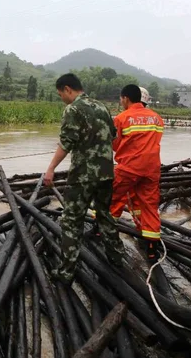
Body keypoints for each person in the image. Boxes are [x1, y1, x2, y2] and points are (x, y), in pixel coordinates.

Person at [44, 73, 125, 285]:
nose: (61, 97)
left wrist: (51, 169)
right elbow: (113, 137)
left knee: (71, 221)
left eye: (60, 93)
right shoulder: (102, 107)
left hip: (83, 176)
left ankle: (66, 272)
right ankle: (117, 259)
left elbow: (66, 143)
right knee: (105, 214)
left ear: (68, 89)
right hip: (106, 173)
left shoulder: (73, 109)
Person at [111, 85, 164, 261]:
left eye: (121, 99)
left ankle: (100, 231)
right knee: (148, 204)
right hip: (152, 169)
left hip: (129, 167)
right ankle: (150, 247)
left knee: (112, 196)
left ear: (126, 98)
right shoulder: (157, 119)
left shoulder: (122, 118)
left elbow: (115, 144)